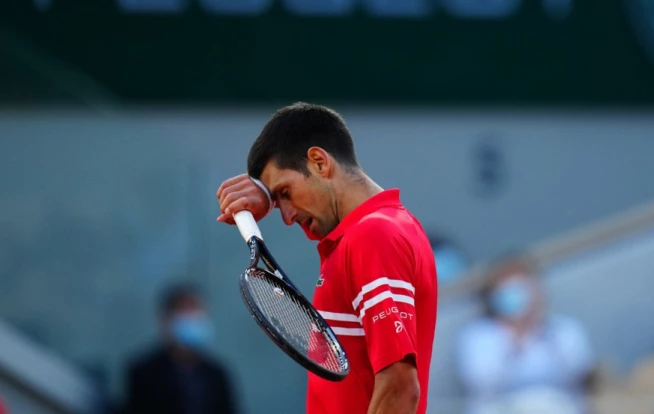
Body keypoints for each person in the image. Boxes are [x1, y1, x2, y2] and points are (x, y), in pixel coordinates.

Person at [216, 102, 438, 414]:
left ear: (320, 162)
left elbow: (399, 387)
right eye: (278, 202)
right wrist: (269, 194)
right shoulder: (377, 231)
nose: (287, 218)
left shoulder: (373, 235)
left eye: (285, 193)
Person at [456, 260, 595, 414]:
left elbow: (579, 373)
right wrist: (515, 338)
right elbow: (481, 383)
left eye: (522, 287)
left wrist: (539, 329)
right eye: (508, 289)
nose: (518, 295)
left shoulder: (563, 329)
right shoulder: (477, 336)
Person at [122, 283, 237, 414]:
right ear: (166, 319)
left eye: (195, 311)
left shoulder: (216, 374)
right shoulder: (143, 373)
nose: (191, 319)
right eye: (184, 312)